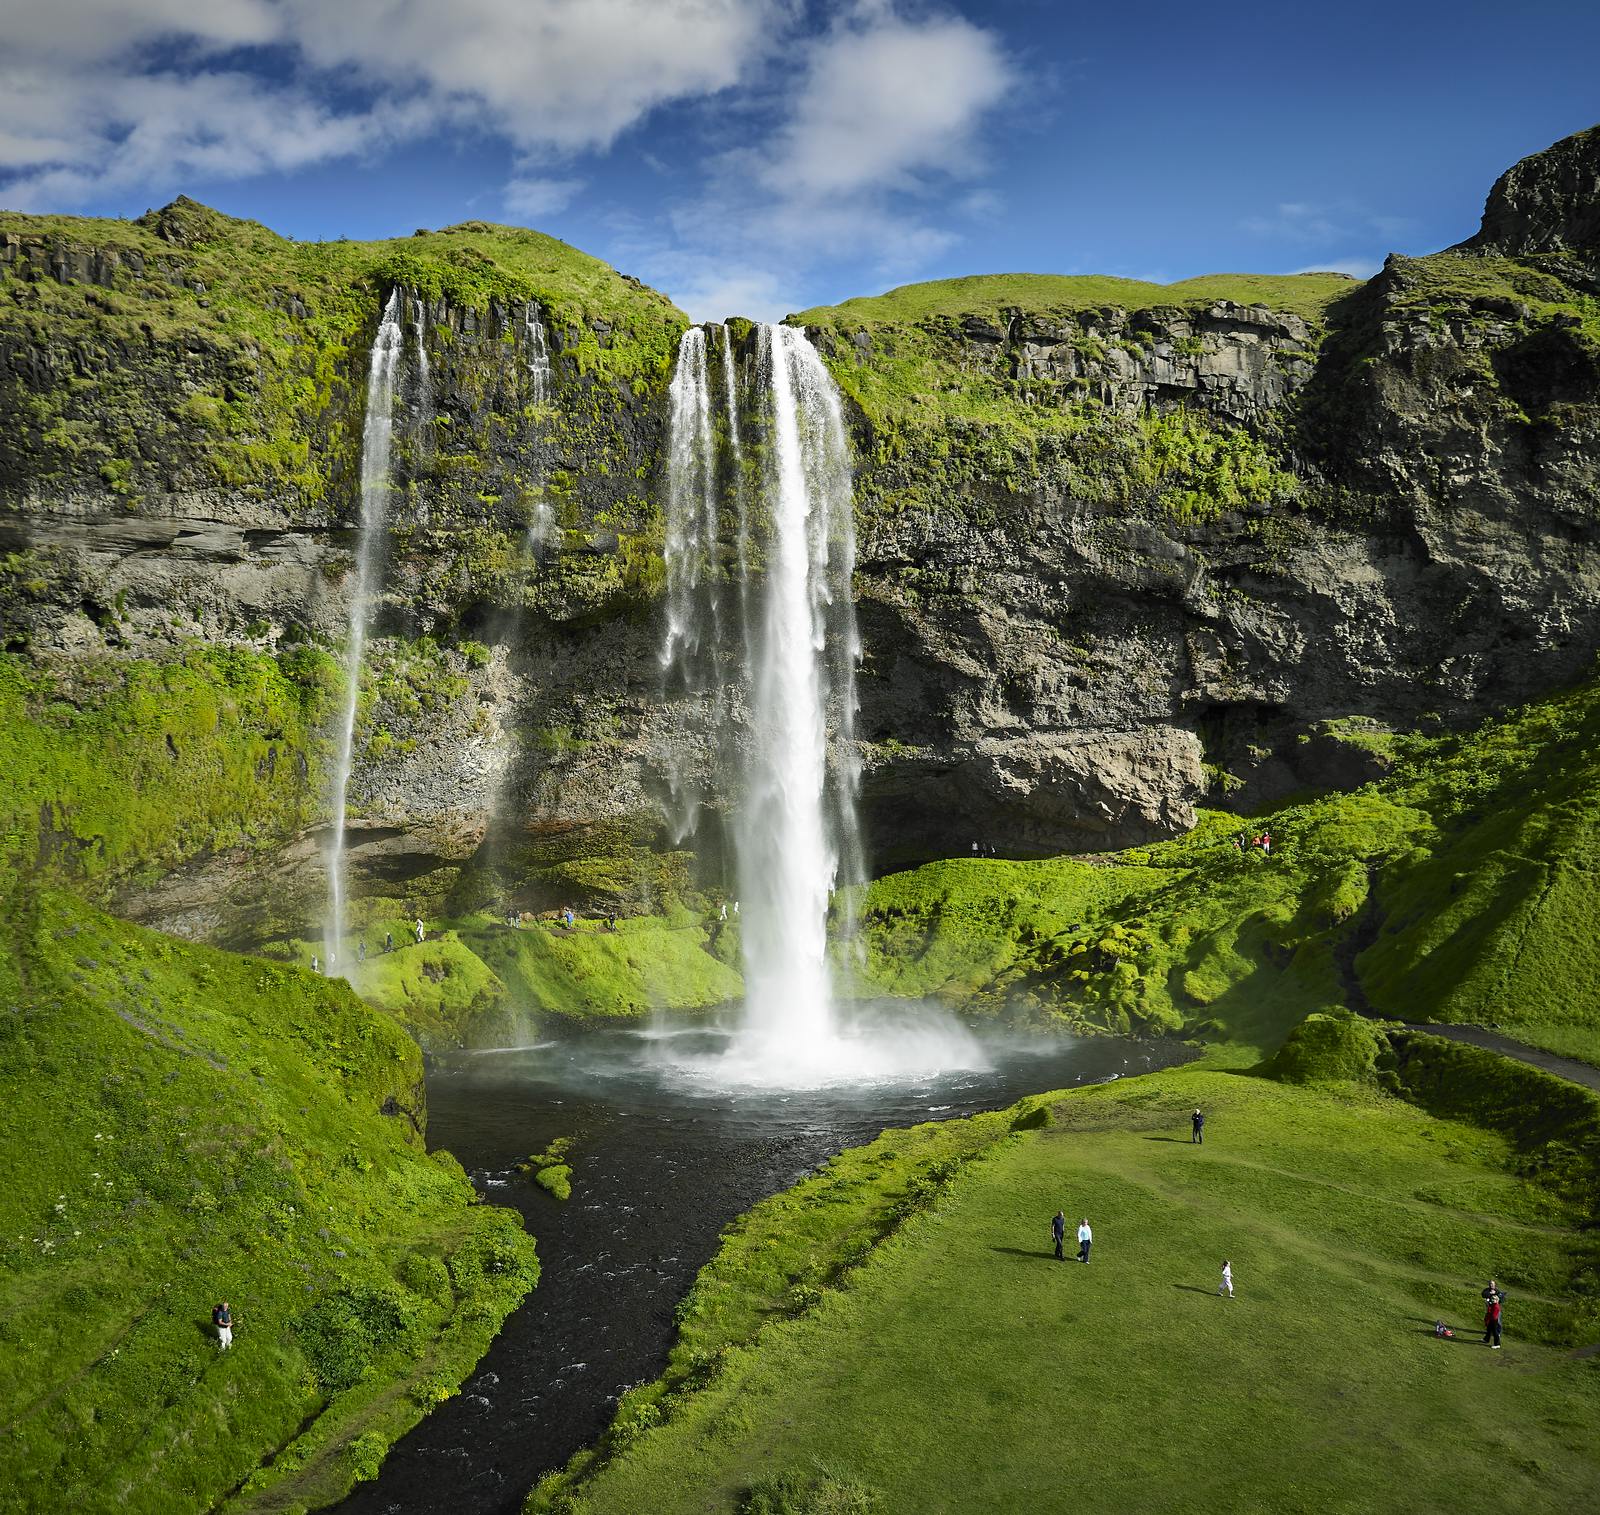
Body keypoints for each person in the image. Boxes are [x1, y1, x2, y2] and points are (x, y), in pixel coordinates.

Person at [1482, 1281, 1505, 1348]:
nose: (1492, 1300)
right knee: (1489, 1330)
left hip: (1493, 1320)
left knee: (1495, 1332)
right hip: (1491, 1319)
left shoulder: (1496, 1306)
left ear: (1497, 1300)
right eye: (1492, 1299)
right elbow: (1484, 1294)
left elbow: (1493, 1315)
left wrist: (1489, 1319)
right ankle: (1486, 1339)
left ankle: (1497, 1344)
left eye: (1494, 1299)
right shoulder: (1493, 1304)